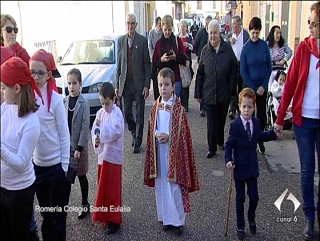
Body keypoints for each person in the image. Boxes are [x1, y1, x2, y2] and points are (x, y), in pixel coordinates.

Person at [274, 2, 320, 240]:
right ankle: (309, 218)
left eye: (314, 23)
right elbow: (290, 84)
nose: (310, 27)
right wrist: (280, 118)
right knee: (306, 170)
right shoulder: (303, 50)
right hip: (304, 121)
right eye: (309, 22)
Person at [144, 67, 200, 236]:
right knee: (161, 185)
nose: (163, 88)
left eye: (166, 85)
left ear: (173, 86)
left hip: (174, 155)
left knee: (174, 187)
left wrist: (169, 136)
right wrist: (156, 134)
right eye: (160, 85)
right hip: (159, 152)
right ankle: (165, 218)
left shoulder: (179, 109)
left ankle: (178, 221)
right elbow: (151, 128)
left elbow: (184, 136)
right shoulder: (155, 106)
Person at [225, 87, 278, 240]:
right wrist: (228, 159)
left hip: (252, 167)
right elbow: (229, 144)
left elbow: (260, 136)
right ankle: (240, 225)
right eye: (244, 107)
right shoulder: (235, 126)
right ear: (239, 107)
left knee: (254, 197)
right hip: (239, 167)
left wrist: (273, 133)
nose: (246, 110)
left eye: (249, 107)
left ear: (254, 107)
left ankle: (251, 218)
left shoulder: (255, 122)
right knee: (240, 198)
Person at [30, 49, 70, 241]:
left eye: (40, 72)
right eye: (32, 72)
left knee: (58, 215)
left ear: (48, 74)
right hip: (38, 167)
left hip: (55, 167)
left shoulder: (55, 99)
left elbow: (64, 133)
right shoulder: (29, 97)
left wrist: (63, 165)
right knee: (46, 214)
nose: (35, 76)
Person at [1, 57, 41, 241]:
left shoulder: (32, 122)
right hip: (2, 186)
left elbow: (20, 163)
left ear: (16, 88)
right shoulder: (5, 108)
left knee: (20, 235)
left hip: (20, 191)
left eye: (4, 87)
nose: (1, 92)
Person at [194, 19, 238, 158]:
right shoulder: (205, 50)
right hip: (209, 92)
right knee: (211, 122)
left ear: (220, 34)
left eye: (215, 33)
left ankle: (220, 141)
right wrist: (198, 92)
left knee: (221, 119)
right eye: (210, 33)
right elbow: (200, 73)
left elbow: (234, 69)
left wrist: (232, 87)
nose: (213, 36)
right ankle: (211, 147)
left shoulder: (227, 50)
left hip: (223, 92)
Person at [91, 82, 124, 235]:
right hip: (102, 155)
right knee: (102, 186)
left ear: (114, 100)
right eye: (102, 103)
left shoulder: (117, 113)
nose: (104, 107)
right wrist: (96, 139)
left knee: (112, 189)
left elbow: (115, 131)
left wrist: (101, 130)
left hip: (113, 156)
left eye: (107, 103)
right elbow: (95, 130)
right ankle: (105, 215)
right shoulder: (99, 113)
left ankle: (115, 219)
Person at [116, 13, 151, 154]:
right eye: (128, 23)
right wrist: (117, 85)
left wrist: (147, 85)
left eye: (132, 23)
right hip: (126, 83)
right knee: (127, 112)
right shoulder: (121, 41)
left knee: (140, 114)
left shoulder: (142, 41)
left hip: (139, 83)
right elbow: (119, 64)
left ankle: (138, 140)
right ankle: (133, 131)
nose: (130, 26)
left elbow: (147, 65)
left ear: (136, 25)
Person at [240, 17, 272, 155]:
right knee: (250, 114)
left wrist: (263, 85)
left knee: (262, 116)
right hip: (250, 88)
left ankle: (260, 140)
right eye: (253, 32)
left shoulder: (264, 46)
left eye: (257, 33)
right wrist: (253, 87)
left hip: (262, 87)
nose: (254, 35)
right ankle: (251, 139)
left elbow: (269, 67)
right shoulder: (246, 48)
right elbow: (243, 70)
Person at [63, 68, 90, 219]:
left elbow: (85, 127)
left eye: (74, 83)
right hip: (67, 148)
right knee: (66, 177)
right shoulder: (64, 101)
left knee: (81, 177)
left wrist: (79, 148)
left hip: (80, 148)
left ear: (80, 84)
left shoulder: (84, 103)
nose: (71, 86)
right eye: (69, 83)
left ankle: (85, 204)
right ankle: (63, 207)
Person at [152, 14, 186, 99]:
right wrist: (162, 59)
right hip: (162, 79)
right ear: (162, 28)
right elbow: (154, 63)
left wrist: (175, 57)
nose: (167, 32)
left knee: (174, 106)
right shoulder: (158, 43)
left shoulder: (177, 41)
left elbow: (184, 59)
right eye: (165, 29)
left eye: (169, 29)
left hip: (175, 79)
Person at [225, 15, 250, 120]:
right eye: (232, 24)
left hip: (243, 64)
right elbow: (224, 45)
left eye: (234, 24)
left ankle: (241, 109)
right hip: (232, 65)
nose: (233, 26)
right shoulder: (230, 35)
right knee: (232, 87)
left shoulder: (245, 35)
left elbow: (249, 47)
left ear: (240, 24)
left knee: (241, 87)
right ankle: (232, 109)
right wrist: (229, 41)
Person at [193, 15, 212, 117]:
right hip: (202, 61)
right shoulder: (201, 33)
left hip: (211, 62)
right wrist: (199, 55)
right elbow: (195, 45)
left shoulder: (213, 33)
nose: (208, 25)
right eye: (207, 23)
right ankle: (202, 108)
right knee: (201, 82)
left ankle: (208, 106)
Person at [265, 25, 293, 90]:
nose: (278, 35)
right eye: (277, 33)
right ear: (272, 34)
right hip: (271, 68)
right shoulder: (267, 44)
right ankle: (270, 94)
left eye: (279, 33)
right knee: (271, 80)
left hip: (281, 68)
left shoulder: (282, 44)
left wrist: (284, 59)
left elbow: (290, 52)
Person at [179, 19, 194, 112]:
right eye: (181, 26)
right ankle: (181, 103)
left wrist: (188, 45)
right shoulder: (177, 37)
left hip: (187, 63)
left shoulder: (189, 38)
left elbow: (193, 48)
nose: (183, 28)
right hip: (179, 63)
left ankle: (186, 104)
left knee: (186, 82)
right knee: (180, 83)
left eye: (184, 26)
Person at [148, 16, 162, 101]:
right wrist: (154, 56)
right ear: (156, 24)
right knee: (155, 82)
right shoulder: (151, 33)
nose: (160, 27)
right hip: (153, 61)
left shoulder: (163, 33)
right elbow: (150, 46)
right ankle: (156, 99)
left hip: (161, 60)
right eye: (159, 25)